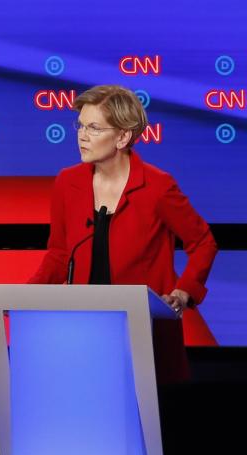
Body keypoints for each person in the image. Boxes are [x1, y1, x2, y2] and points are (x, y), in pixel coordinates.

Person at [30, 84, 218, 382]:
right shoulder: (67, 182)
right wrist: (28, 298)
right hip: (86, 328)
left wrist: (183, 293)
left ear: (122, 136)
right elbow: (59, 253)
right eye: (80, 125)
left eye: (93, 127)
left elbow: (203, 242)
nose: (81, 135)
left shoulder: (158, 187)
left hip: (144, 329)